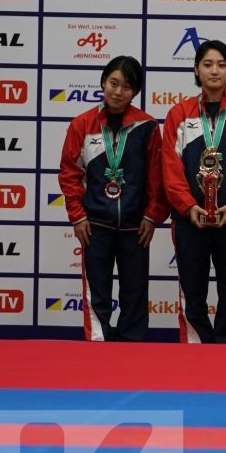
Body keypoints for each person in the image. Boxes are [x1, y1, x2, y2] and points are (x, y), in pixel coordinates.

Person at [161, 40, 226, 344]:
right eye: (207, 64)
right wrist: (187, 206)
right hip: (189, 219)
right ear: (196, 69)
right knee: (192, 289)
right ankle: (195, 348)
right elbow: (171, 168)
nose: (215, 70)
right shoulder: (179, 114)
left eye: (221, 64)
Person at [57, 55, 167, 341]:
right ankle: (98, 345)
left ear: (135, 92)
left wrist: (152, 216)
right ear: (103, 83)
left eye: (126, 87)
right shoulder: (82, 124)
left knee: (134, 293)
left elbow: (157, 176)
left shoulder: (147, 127)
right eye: (113, 83)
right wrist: (78, 216)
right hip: (95, 225)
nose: (118, 92)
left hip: (135, 227)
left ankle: (133, 350)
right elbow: (69, 173)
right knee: (98, 292)